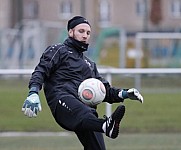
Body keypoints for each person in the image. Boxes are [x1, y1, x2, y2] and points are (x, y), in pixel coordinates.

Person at [22, 16, 143, 150]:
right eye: (81, 31)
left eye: (88, 33)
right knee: (87, 115)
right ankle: (106, 125)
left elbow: (105, 91)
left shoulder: (90, 64)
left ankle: (105, 125)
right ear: (70, 32)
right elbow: (41, 70)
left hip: (87, 114)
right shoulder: (58, 50)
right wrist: (33, 92)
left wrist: (124, 93)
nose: (85, 35)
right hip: (62, 100)